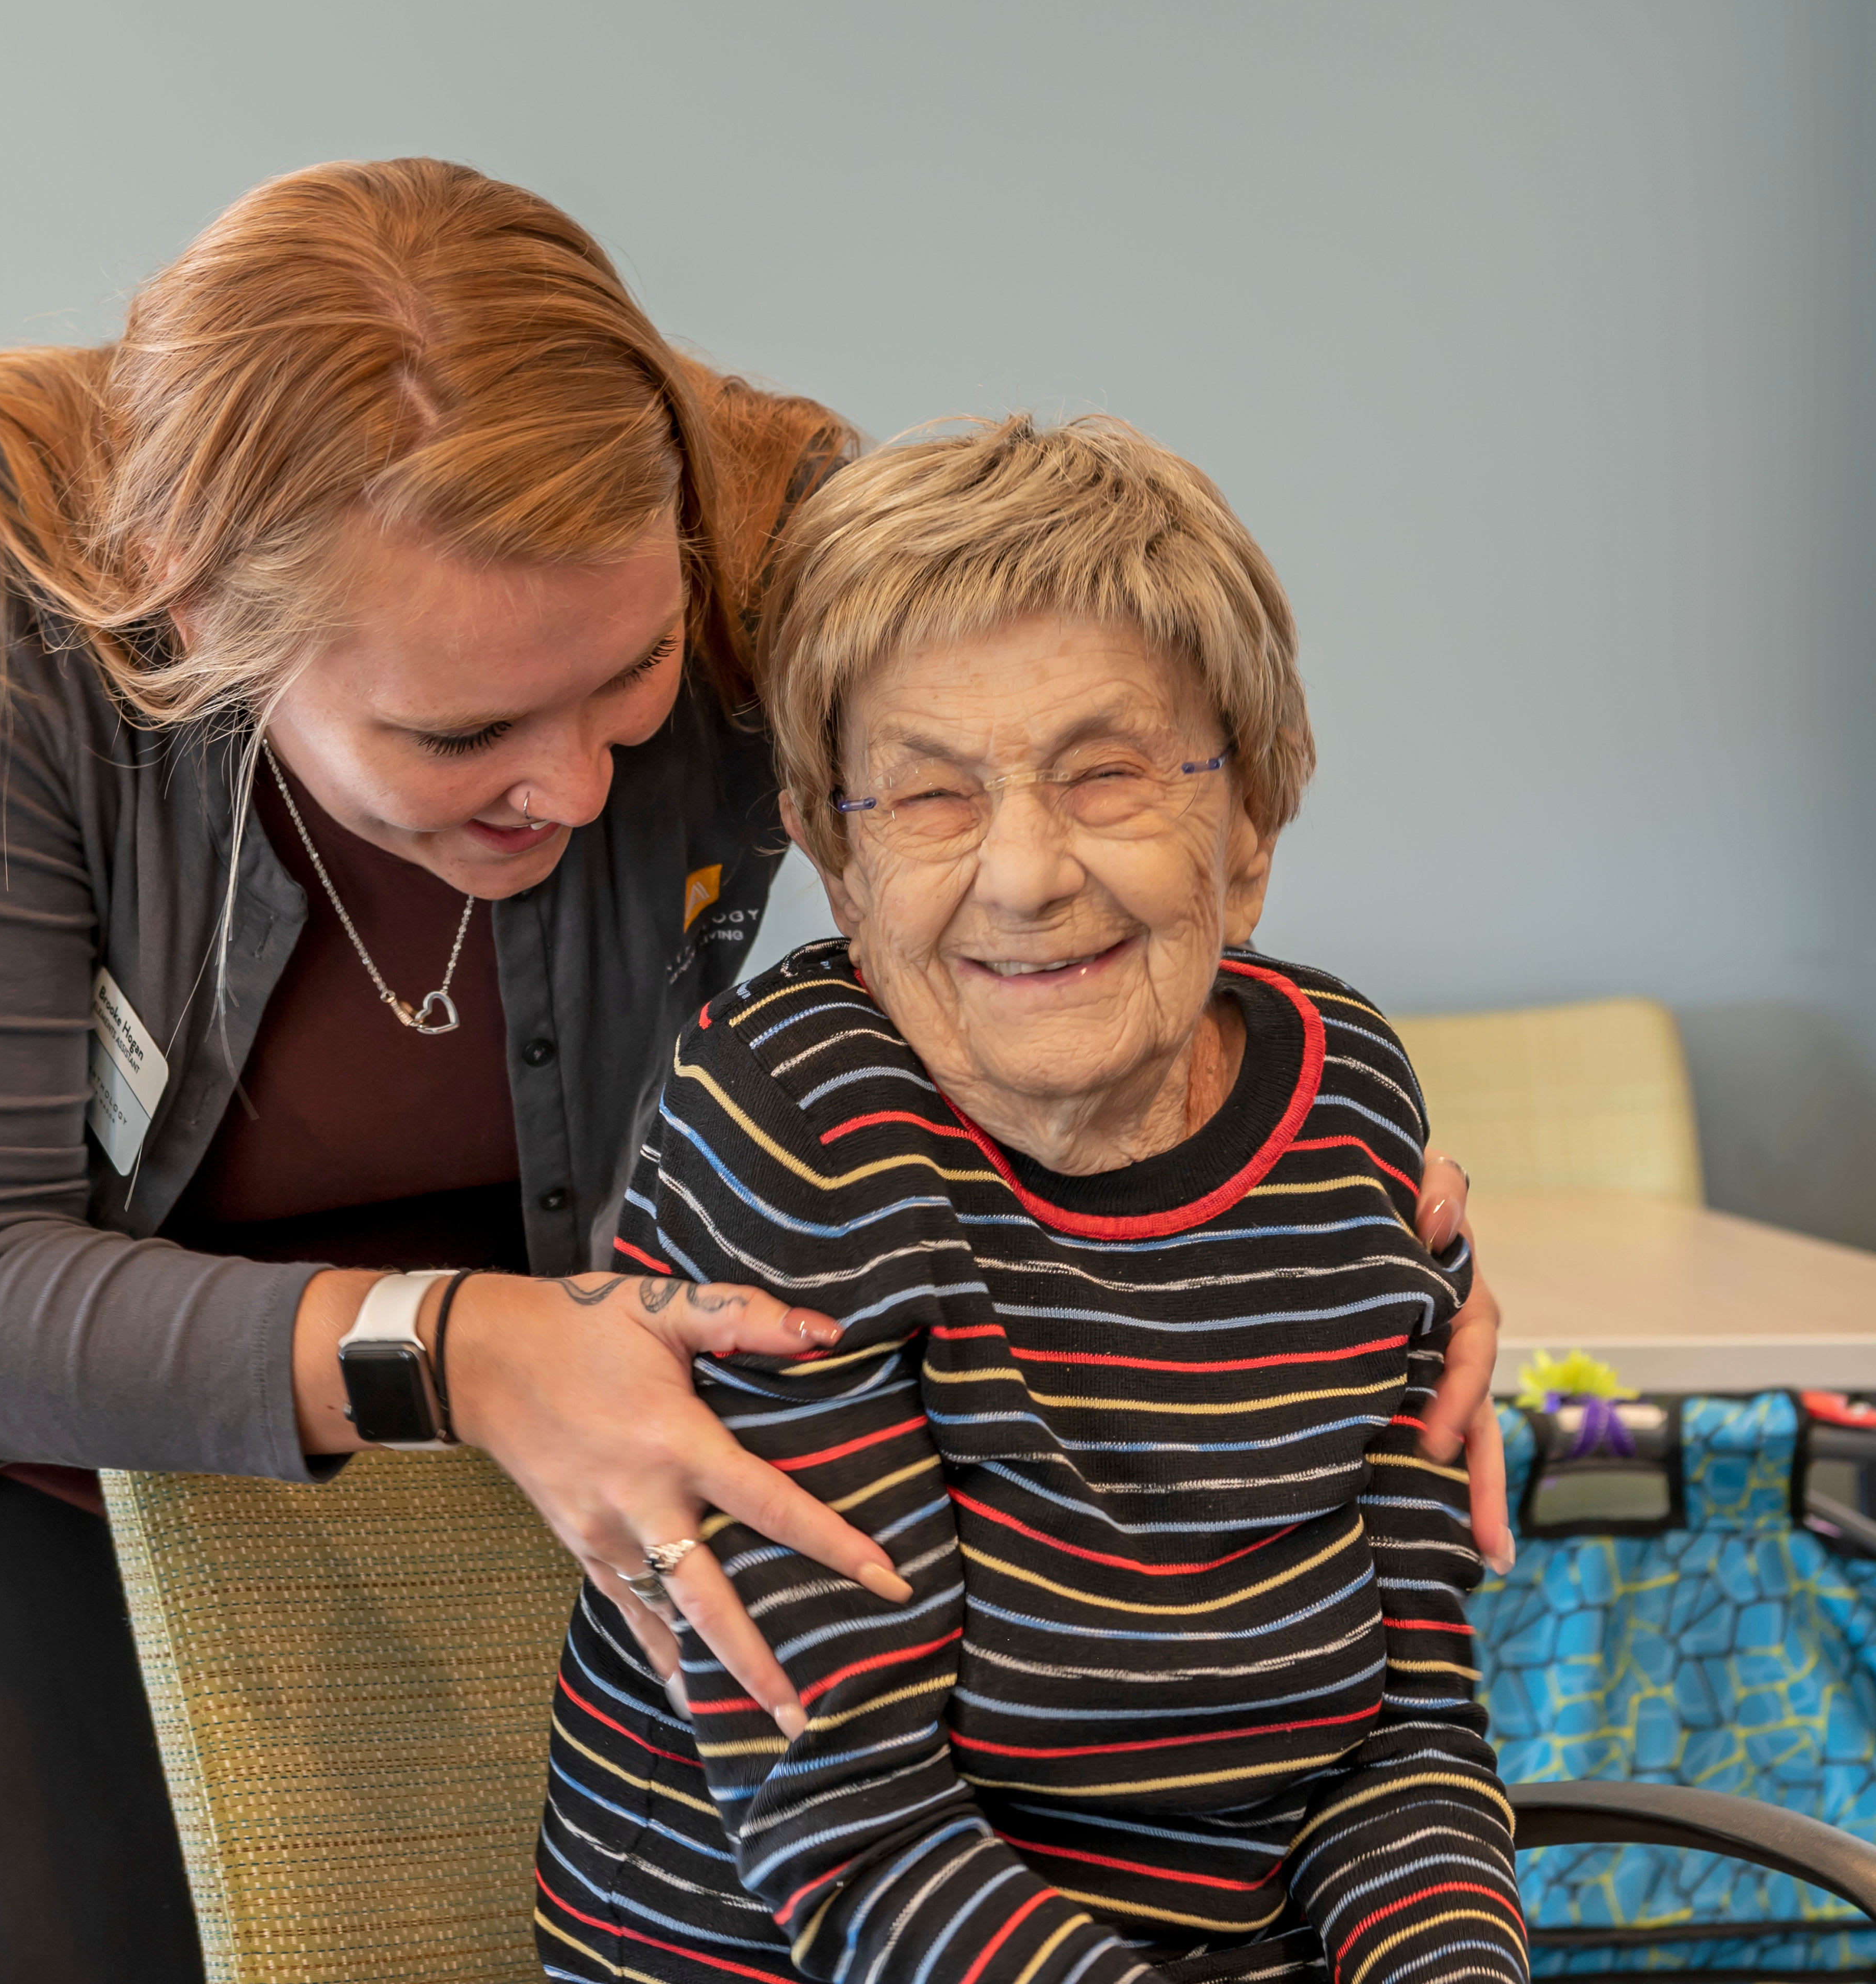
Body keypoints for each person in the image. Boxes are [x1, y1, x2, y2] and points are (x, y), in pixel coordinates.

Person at [0, 158, 1507, 1980]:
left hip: (575, 1345)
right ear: (202, 623)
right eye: (460, 728)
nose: (572, 790)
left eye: (633, 675)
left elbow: (1049, 863)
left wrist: (1346, 1220)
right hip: (11, 1405)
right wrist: (467, 1349)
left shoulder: (774, 521)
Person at [534, 416, 1526, 1984]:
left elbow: (1402, 1738)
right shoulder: (800, 1129)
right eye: (928, 800)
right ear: (837, 866)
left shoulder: (1348, 1100)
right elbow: (849, 1827)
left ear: (1250, 814)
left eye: (1108, 773)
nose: (1024, 873)